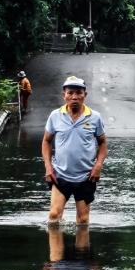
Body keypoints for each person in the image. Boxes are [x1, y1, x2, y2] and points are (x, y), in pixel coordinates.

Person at [42, 76, 108, 225]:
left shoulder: (94, 117)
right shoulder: (55, 116)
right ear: (64, 95)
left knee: (83, 220)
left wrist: (98, 166)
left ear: (85, 95)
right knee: (53, 216)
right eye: (70, 93)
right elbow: (47, 141)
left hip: (86, 176)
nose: (74, 97)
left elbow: (102, 143)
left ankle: (82, 249)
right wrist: (48, 167)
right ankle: (56, 247)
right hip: (60, 175)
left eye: (79, 93)